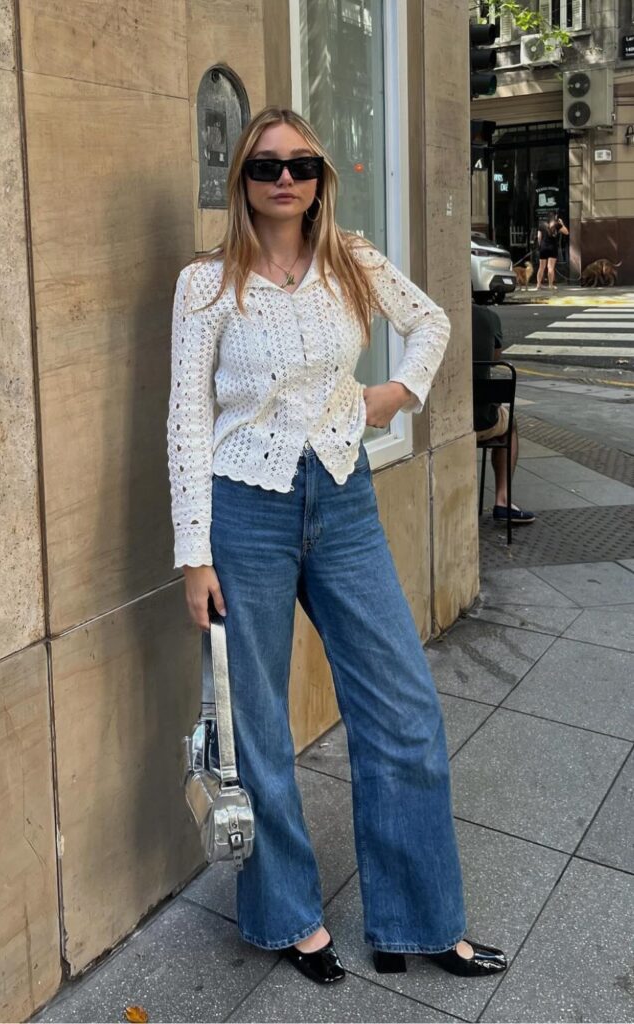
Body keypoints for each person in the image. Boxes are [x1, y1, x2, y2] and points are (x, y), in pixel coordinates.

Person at [168, 105, 508, 986]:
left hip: (343, 495)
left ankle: (419, 919)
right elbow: (186, 421)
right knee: (260, 730)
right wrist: (192, 554)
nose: (285, 178)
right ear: (242, 181)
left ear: (321, 177)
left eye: (302, 164)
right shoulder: (205, 284)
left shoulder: (349, 261)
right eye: (265, 166)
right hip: (245, 509)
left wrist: (393, 395)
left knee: (401, 707)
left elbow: (431, 321)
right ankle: (288, 916)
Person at [472, 303, 535, 524]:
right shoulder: (488, 316)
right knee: (511, 424)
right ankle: (503, 499)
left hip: (436, 423)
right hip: (479, 421)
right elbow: (495, 355)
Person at [535, 211, 569, 290]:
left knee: (541, 267)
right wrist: (562, 223)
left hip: (543, 248)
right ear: (555, 216)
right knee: (550, 267)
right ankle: (550, 285)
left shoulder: (541, 225)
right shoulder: (557, 225)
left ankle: (538, 285)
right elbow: (566, 232)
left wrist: (540, 246)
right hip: (552, 248)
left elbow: (539, 237)